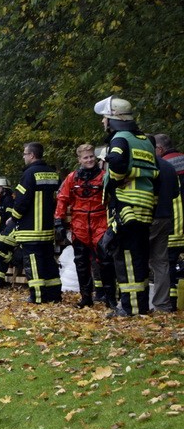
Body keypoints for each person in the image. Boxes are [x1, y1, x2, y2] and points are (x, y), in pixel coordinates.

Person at [96, 96, 157, 316]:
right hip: (144, 205)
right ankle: (140, 305)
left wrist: (115, 180)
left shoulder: (120, 138)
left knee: (126, 257)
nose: (103, 122)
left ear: (113, 118)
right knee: (139, 256)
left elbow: (118, 163)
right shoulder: (145, 140)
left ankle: (129, 308)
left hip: (125, 206)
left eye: (104, 118)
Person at [55, 144, 115, 308]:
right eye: (85, 157)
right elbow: (62, 199)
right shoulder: (72, 178)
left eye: (91, 157)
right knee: (81, 264)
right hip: (79, 226)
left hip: (100, 223)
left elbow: (114, 199)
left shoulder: (104, 176)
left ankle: (110, 299)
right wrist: (59, 221)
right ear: (79, 159)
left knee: (106, 262)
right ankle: (86, 298)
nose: (89, 160)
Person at [7, 142, 61, 304]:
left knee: (34, 263)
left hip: (31, 228)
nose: (23, 157)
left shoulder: (29, 174)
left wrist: (14, 218)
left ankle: (37, 296)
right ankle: (54, 295)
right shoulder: (53, 174)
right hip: (47, 228)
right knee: (49, 262)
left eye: (25, 154)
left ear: (31, 155)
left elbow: (21, 201)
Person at [154, 135, 184, 309]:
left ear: (159, 149)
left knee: (167, 261)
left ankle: (171, 303)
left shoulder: (163, 166)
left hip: (174, 219)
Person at [149, 150, 181, 312]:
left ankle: (136, 303)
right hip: (166, 218)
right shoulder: (169, 167)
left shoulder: (144, 165)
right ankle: (162, 305)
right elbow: (175, 193)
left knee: (136, 258)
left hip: (146, 218)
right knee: (161, 262)